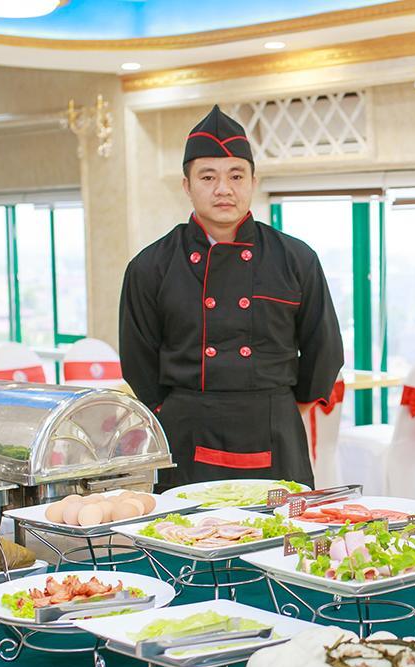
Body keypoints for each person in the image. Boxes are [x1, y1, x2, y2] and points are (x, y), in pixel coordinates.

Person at [119, 105, 343, 489]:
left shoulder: (296, 259)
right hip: (186, 433)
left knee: (280, 527)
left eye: (236, 176)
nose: (223, 188)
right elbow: (138, 360)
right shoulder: (150, 266)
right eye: (208, 177)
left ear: (253, 181)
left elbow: (324, 351)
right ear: (187, 185)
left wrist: (282, 407)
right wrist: (174, 410)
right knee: (185, 525)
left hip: (273, 430)